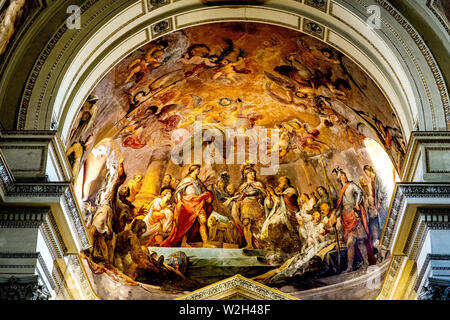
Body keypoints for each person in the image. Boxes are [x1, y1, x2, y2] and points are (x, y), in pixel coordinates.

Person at [161, 165, 213, 248]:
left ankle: (206, 242)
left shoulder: (198, 181)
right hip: (188, 202)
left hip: (198, 201)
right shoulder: (186, 180)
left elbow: (203, 190)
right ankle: (184, 243)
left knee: (203, 220)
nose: (199, 171)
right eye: (198, 169)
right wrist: (179, 201)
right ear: (194, 170)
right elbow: (178, 191)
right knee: (186, 223)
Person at [334, 168, 373, 272]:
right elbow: (340, 207)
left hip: (355, 215)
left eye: (344, 174)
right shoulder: (341, 191)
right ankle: (350, 267)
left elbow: (360, 192)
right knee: (350, 243)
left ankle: (366, 262)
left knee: (360, 241)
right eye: (342, 175)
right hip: (347, 218)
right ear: (339, 179)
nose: (344, 176)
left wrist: (357, 202)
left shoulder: (351, 185)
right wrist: (337, 218)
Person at [231, 166, 267, 249]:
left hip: (255, 205)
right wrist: (235, 197)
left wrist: (253, 194)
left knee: (259, 225)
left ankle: (264, 244)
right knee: (246, 223)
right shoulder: (243, 186)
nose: (253, 174)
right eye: (250, 173)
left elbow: (263, 194)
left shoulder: (258, 184)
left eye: (253, 173)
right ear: (245, 175)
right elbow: (238, 196)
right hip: (245, 206)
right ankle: (249, 244)